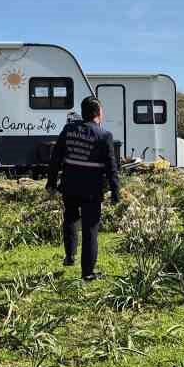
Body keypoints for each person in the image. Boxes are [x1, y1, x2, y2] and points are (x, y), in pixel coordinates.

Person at [46, 95, 121, 280]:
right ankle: (87, 273)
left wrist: (51, 183)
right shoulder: (104, 135)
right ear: (98, 113)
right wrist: (115, 192)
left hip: (69, 185)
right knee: (90, 230)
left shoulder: (69, 129)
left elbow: (55, 158)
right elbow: (112, 168)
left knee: (70, 219)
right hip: (91, 190)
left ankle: (70, 256)